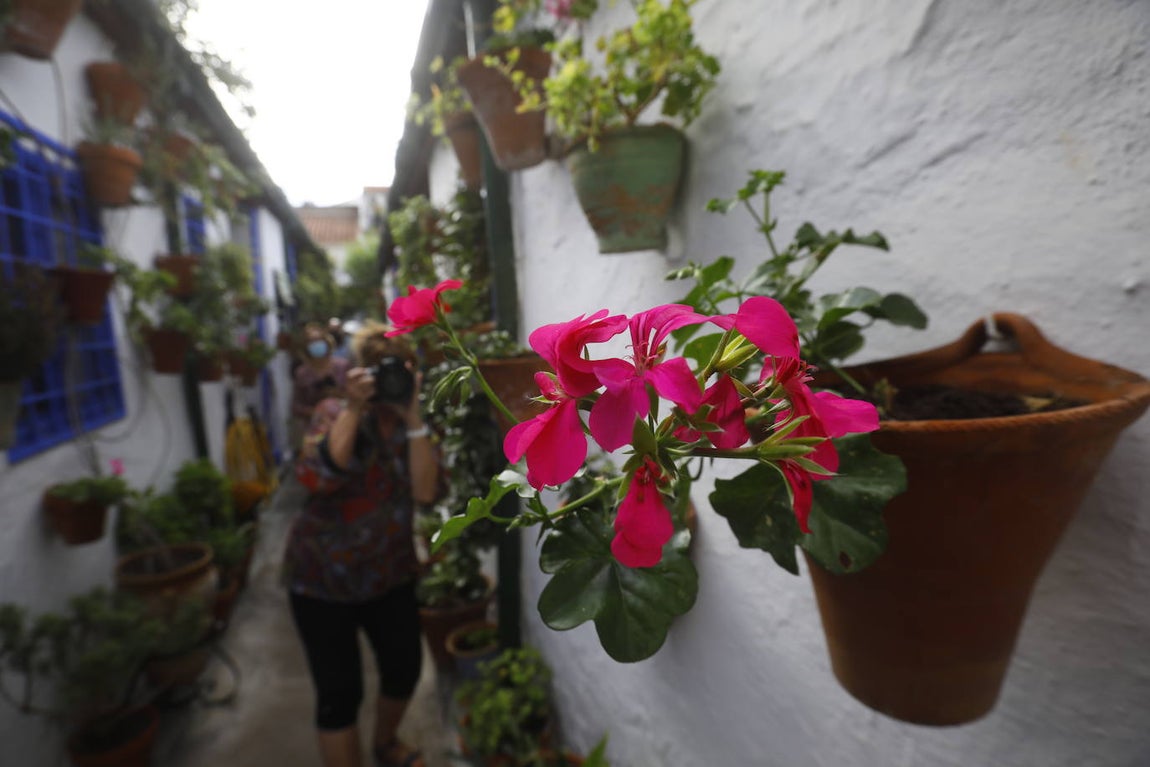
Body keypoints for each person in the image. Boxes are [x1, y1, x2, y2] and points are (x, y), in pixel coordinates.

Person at [284, 320, 436, 767]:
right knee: (338, 692)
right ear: (361, 372)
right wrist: (353, 407)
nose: (392, 380)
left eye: (402, 369)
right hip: (320, 580)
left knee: (404, 668)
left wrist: (412, 418)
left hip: (389, 574)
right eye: (382, 370)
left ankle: (385, 744)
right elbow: (318, 476)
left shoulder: (415, 425)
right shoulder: (332, 409)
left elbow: (426, 492)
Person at [290, 322, 351, 456]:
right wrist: (318, 412)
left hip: (343, 427)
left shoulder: (342, 366)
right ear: (306, 347)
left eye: (319, 340)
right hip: (316, 434)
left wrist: (337, 396)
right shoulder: (302, 373)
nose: (316, 345)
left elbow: (354, 395)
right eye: (311, 342)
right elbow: (296, 406)